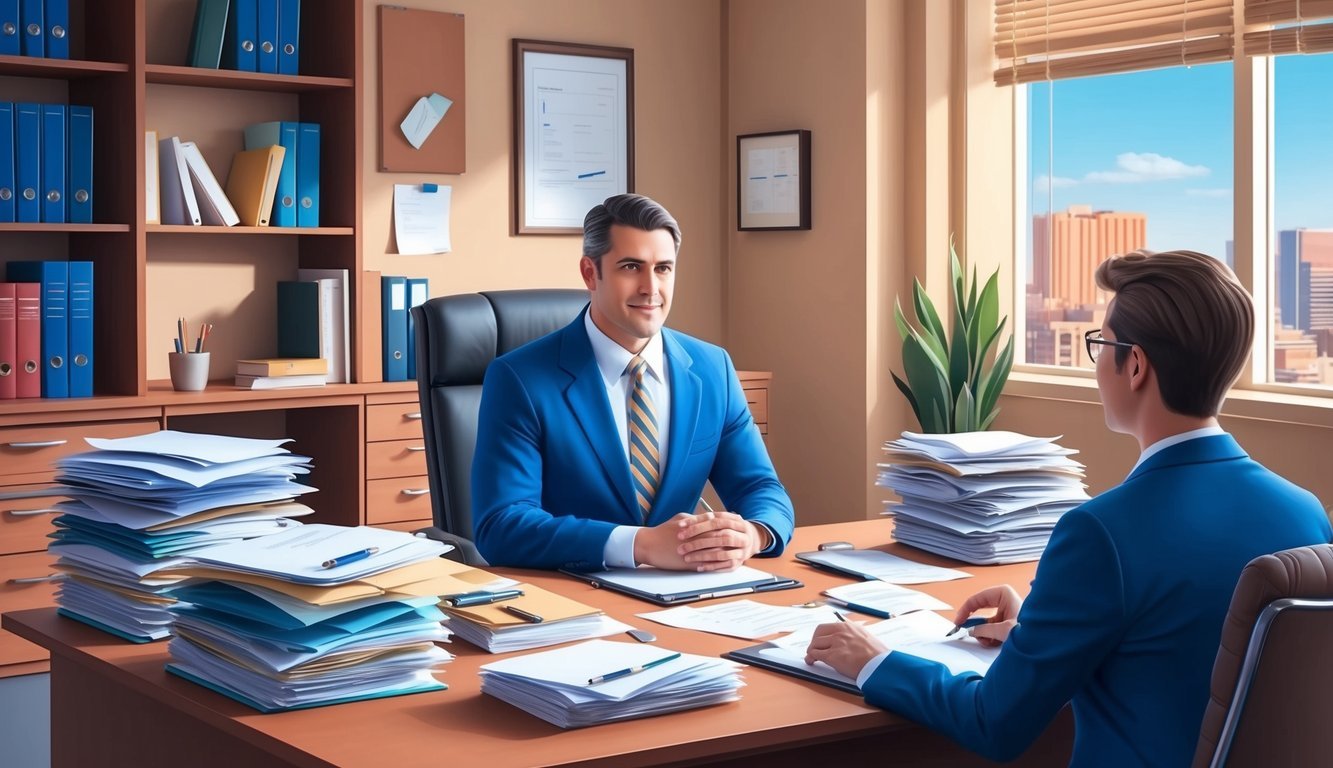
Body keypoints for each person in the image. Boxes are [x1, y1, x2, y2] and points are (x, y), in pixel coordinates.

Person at [805, 249, 1331, 766]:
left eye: (1101, 343)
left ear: (1136, 365)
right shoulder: (1305, 513)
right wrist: (1041, 628)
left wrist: (875, 662)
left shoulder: (1102, 532)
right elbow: (1179, 649)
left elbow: (994, 723)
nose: (1097, 361)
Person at [471, 193, 795, 572]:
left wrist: (752, 535)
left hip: (685, 596)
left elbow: (762, 489)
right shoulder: (521, 378)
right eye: (631, 267)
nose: (651, 288)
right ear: (591, 273)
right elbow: (502, 525)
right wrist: (639, 545)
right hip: (573, 598)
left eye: (663, 268)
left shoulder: (712, 369)